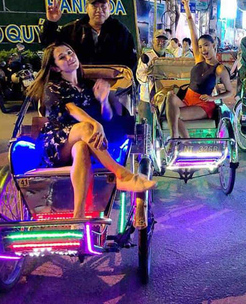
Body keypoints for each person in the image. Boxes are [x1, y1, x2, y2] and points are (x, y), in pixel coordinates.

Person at [26, 42, 156, 221]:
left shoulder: (88, 86)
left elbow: (108, 117)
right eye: (62, 57)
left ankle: (78, 216)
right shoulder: (53, 87)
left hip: (86, 145)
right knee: (86, 129)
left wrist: (103, 102)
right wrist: (96, 125)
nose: (69, 58)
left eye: (70, 53)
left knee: (81, 146)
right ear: (55, 67)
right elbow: (72, 110)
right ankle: (122, 174)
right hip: (57, 144)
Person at [165, 0, 234, 138]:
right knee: (170, 97)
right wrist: (187, 7)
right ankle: (177, 139)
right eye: (201, 46)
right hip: (187, 100)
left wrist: (212, 98)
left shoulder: (219, 69)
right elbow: (192, 29)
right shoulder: (198, 58)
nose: (203, 50)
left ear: (213, 45)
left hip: (203, 105)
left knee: (176, 115)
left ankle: (181, 141)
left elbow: (229, 91)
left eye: (206, 46)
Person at [40, 0, 137, 73]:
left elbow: (131, 64)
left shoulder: (121, 31)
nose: (99, 10)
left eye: (103, 6)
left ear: (109, 7)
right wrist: (51, 22)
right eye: (94, 6)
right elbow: (49, 44)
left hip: (113, 88)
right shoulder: (73, 29)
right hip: (80, 86)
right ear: (86, 8)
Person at [136, 29, 174, 125]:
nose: (161, 42)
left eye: (164, 40)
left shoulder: (171, 57)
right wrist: (150, 76)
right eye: (158, 40)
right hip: (147, 100)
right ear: (153, 41)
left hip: (165, 100)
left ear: (168, 42)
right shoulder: (146, 57)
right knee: (145, 128)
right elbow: (140, 76)